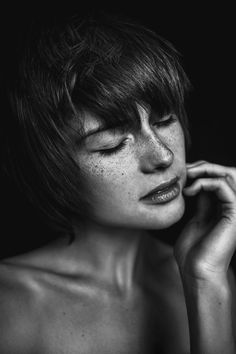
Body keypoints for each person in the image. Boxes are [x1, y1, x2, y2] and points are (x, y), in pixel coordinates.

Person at [0, 12, 236, 354]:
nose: (163, 156)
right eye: (113, 144)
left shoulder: (214, 276)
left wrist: (206, 283)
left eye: (164, 120)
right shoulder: (9, 307)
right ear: (50, 168)